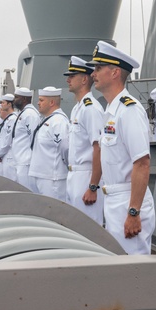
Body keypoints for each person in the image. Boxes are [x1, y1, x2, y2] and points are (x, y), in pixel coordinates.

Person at [89, 41, 154, 255]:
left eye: (98, 68)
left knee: (134, 272)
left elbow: (142, 163)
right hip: (115, 200)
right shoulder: (112, 110)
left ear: (115, 72)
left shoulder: (129, 111)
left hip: (129, 201)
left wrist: (133, 212)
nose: (93, 74)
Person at [64, 56, 105, 225]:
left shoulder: (91, 109)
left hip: (86, 176)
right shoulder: (77, 108)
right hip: (74, 175)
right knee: (75, 227)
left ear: (84, 79)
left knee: (88, 227)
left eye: (72, 76)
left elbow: (98, 148)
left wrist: (93, 186)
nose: (68, 79)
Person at [28, 86, 70, 200]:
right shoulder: (47, 120)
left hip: (53, 178)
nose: (38, 103)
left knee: (55, 213)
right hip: (42, 175)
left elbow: (65, 147)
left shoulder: (58, 121)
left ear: (51, 102)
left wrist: (64, 169)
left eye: (41, 100)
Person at [10, 87, 41, 191]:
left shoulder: (30, 114)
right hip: (20, 161)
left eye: (16, 97)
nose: (14, 100)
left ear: (24, 99)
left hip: (26, 162)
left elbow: (34, 138)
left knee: (28, 193)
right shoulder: (24, 113)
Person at [0, 94, 18, 180]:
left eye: (3, 103)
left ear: (9, 104)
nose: (1, 105)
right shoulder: (7, 120)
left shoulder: (13, 119)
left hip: (10, 157)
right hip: (5, 157)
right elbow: (1, 138)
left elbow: (7, 141)